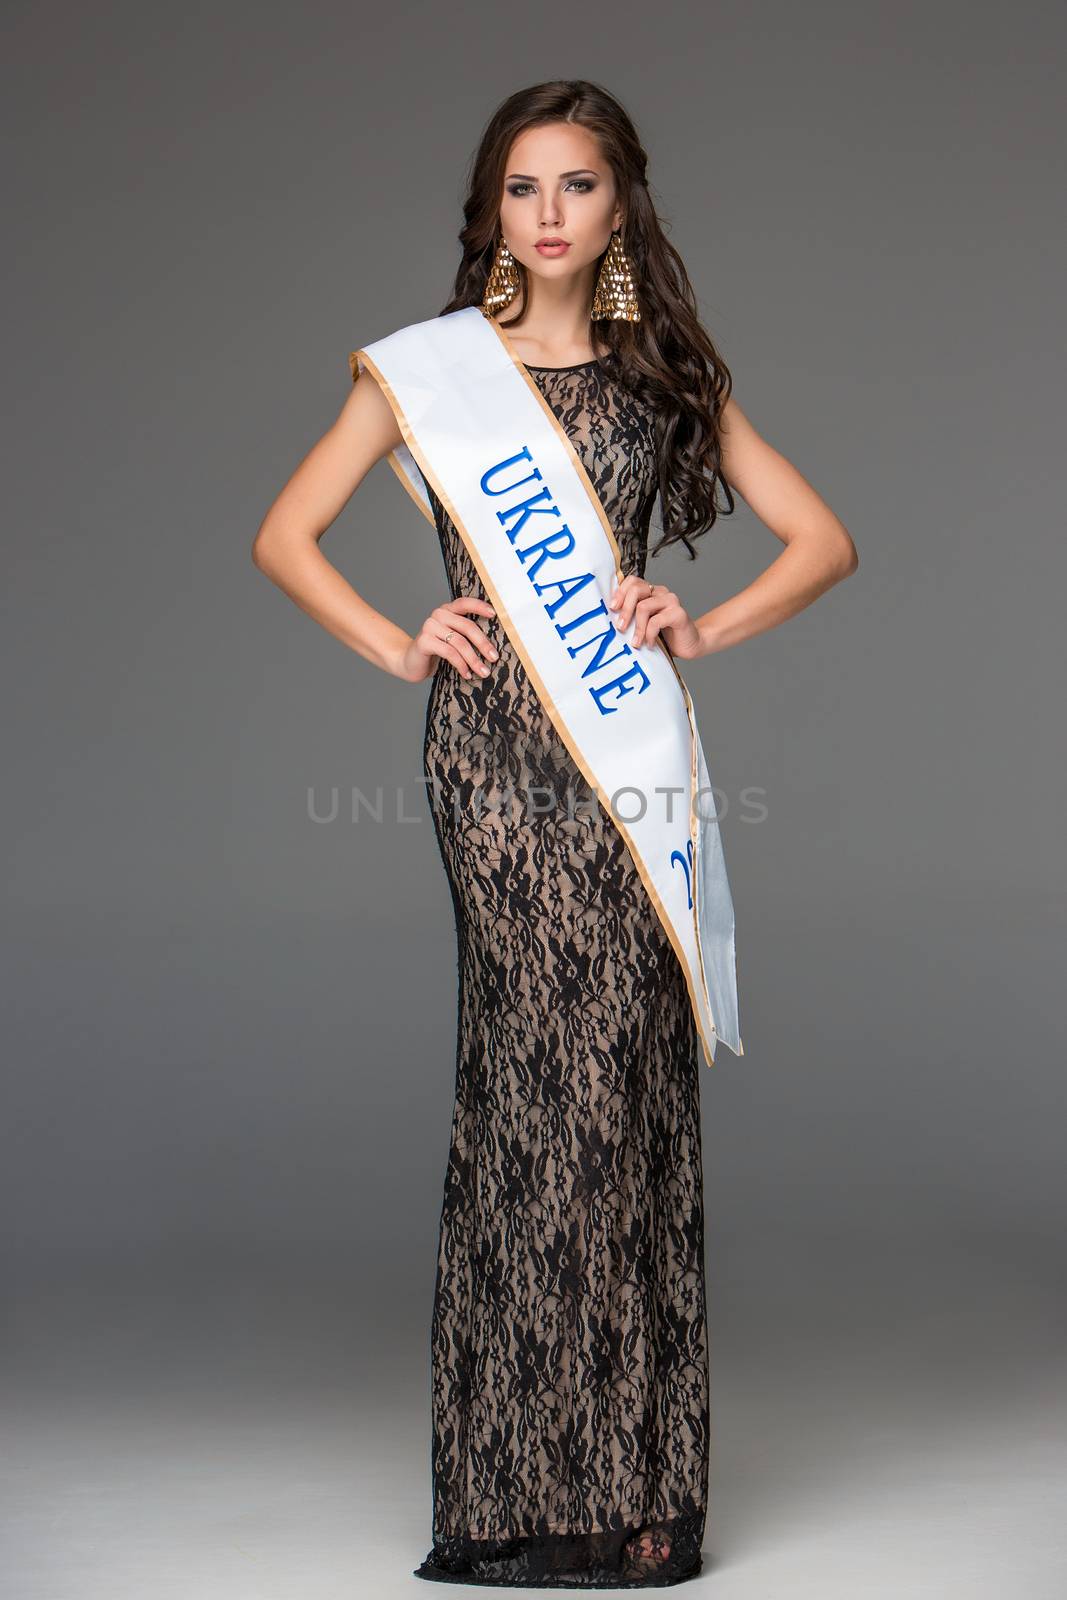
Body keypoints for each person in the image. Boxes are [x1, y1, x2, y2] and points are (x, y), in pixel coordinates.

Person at [252, 79, 857, 1589]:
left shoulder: (664, 383)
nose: (548, 214)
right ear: (489, 211)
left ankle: (639, 1492)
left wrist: (697, 621)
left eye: (576, 186)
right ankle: (516, 1492)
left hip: (625, 765)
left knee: (631, 1093)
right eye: (523, 188)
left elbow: (825, 540)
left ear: (619, 206)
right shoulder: (428, 375)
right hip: (496, 766)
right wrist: (403, 643)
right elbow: (285, 534)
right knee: (531, 1090)